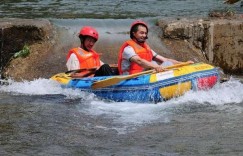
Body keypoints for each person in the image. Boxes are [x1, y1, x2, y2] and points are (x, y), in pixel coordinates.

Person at [118, 20, 193, 75]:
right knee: (153, 63)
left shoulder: (147, 49)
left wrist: (183, 63)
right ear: (134, 34)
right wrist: (155, 66)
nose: (144, 35)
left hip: (143, 75)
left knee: (167, 63)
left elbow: (165, 59)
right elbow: (139, 61)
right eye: (141, 33)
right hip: (131, 79)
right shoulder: (128, 49)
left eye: (145, 33)